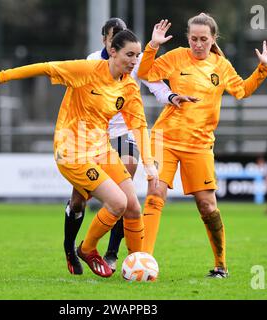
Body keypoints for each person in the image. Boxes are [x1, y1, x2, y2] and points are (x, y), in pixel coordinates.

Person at [0, 30, 159, 278]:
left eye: (137, 55)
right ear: (113, 52)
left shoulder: (128, 86)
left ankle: (139, 265)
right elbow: (45, 67)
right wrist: (2, 77)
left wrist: (149, 163)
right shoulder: (86, 71)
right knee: (117, 203)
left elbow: (139, 126)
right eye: (129, 54)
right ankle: (86, 248)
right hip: (72, 151)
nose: (134, 60)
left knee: (134, 208)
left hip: (101, 149)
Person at [137, 14, 267, 278]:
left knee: (207, 207)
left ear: (213, 39)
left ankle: (220, 264)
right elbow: (144, 72)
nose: (198, 44)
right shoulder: (177, 56)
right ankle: (144, 262)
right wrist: (152, 46)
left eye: (203, 39)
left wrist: (263, 68)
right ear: (188, 38)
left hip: (199, 145)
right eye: (193, 39)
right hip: (164, 138)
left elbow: (242, 91)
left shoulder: (221, 66)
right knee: (155, 195)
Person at [63, 17, 195, 275]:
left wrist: (170, 96)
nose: (121, 42)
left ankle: (113, 253)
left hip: (125, 131)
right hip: (92, 136)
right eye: (114, 36)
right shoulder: (91, 61)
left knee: (126, 194)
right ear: (105, 41)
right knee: (78, 200)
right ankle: (70, 247)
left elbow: (153, 81)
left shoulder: (133, 57)